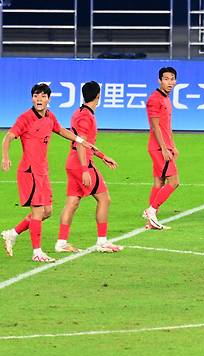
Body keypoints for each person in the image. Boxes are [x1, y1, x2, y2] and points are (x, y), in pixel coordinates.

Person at [1, 83, 96, 262]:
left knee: (47, 211)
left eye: (43, 96)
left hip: (43, 172)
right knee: (37, 211)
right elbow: (8, 137)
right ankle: (37, 252)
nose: (39, 99)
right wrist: (5, 157)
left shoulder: (50, 116)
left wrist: (79, 139)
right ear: (32, 98)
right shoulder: (25, 118)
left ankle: (12, 233)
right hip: (29, 171)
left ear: (49, 99)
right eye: (36, 96)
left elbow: (60, 130)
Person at [55, 81, 123, 254]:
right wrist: (85, 169)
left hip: (72, 163)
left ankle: (61, 242)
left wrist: (102, 156)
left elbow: (83, 142)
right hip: (81, 164)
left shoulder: (79, 112)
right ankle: (102, 241)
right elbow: (80, 144)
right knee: (104, 199)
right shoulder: (86, 117)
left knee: (72, 202)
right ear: (98, 96)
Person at [143, 67, 179, 230]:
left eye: (172, 78)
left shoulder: (165, 98)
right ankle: (151, 210)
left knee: (159, 181)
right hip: (158, 148)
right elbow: (155, 126)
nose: (170, 82)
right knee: (174, 182)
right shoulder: (155, 99)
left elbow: (166, 126)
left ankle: (150, 220)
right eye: (166, 79)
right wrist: (164, 149)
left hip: (163, 147)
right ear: (159, 80)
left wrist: (173, 146)